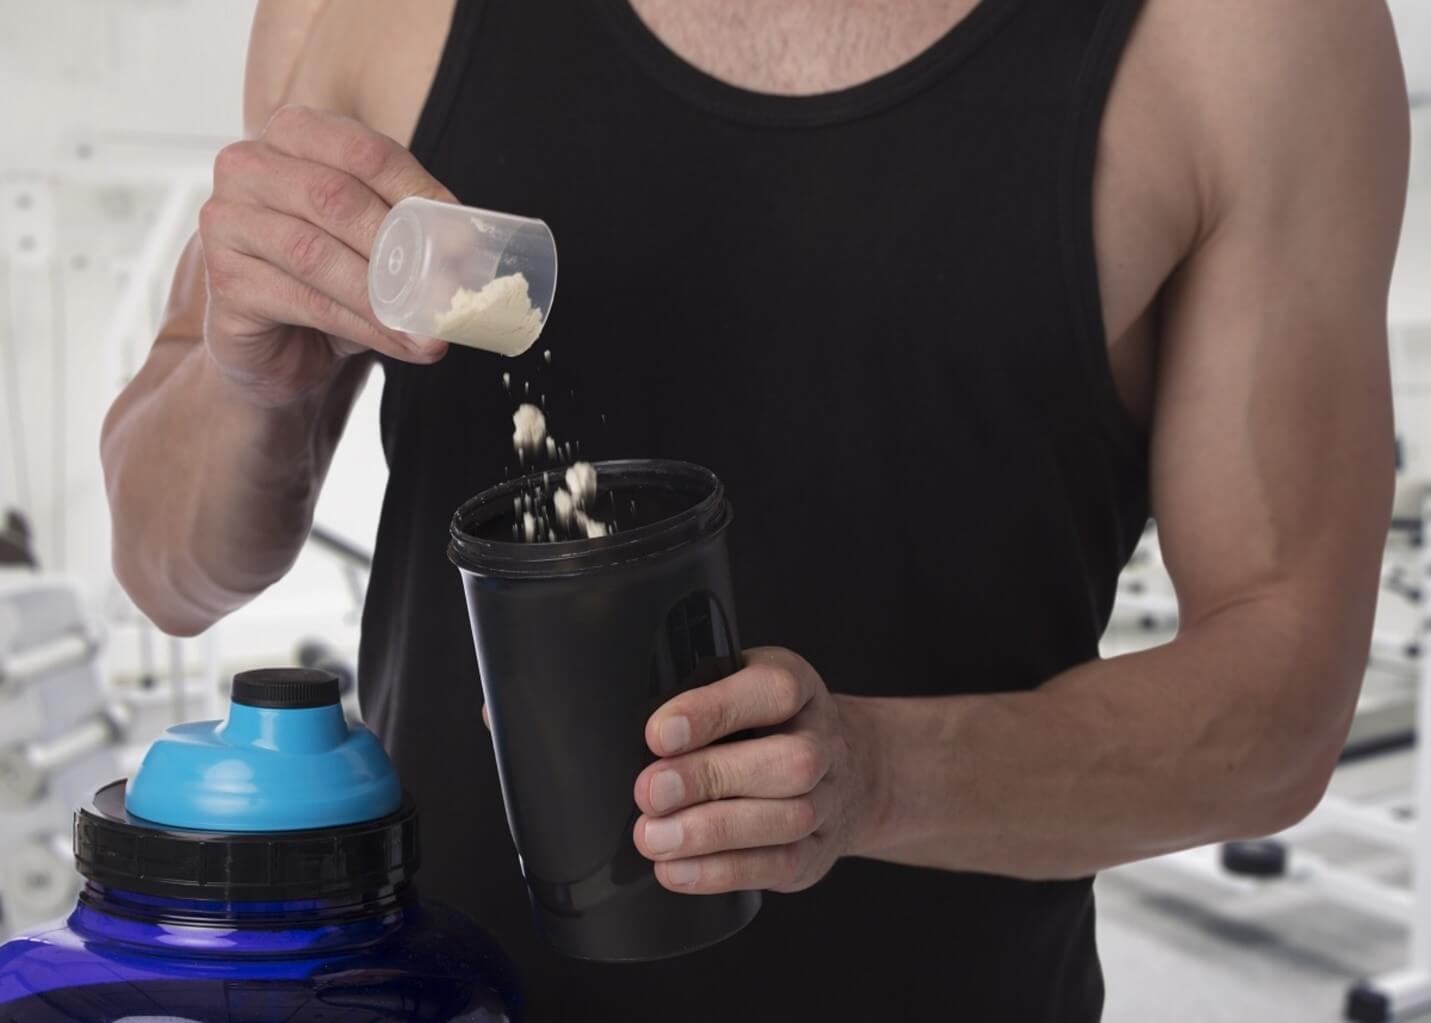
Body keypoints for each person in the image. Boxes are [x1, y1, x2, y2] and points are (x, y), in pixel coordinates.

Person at [100, 0, 1410, 1018]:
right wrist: (245, 384)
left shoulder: (1245, 40)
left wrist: (876, 779)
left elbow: (1282, 703)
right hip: (445, 1000)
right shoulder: (378, 12)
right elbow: (172, 570)